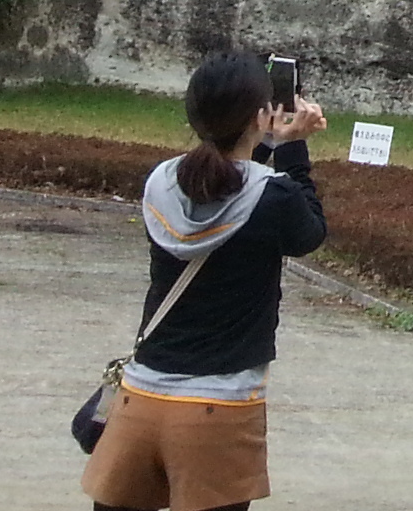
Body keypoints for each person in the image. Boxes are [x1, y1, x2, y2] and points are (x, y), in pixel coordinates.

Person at [83, 49, 327, 511]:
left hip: (140, 400)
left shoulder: (161, 181)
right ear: (262, 115)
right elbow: (309, 231)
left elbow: (226, 179)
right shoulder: (275, 197)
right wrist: (291, 147)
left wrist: (267, 144)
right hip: (220, 410)